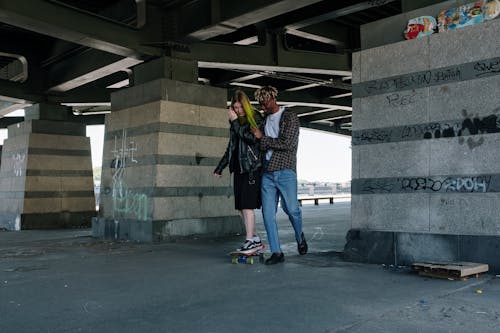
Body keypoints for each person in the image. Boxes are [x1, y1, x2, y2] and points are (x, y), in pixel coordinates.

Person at [250, 86, 308, 265]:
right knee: (267, 214)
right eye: (260, 103)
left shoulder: (290, 117)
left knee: (291, 209)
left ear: (273, 99)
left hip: (285, 170)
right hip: (267, 172)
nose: (263, 106)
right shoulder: (264, 120)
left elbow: (288, 143)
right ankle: (276, 252)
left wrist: (262, 138)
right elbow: (259, 144)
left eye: (265, 102)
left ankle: (300, 236)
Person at [213, 90, 265, 253]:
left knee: (247, 206)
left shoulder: (255, 117)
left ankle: (249, 239)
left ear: (246, 105)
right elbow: (232, 147)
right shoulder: (236, 122)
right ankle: (255, 238)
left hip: (251, 168)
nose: (238, 110)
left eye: (240, 107)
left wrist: (235, 122)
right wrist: (220, 167)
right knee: (241, 207)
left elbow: (252, 139)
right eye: (235, 108)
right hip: (238, 168)